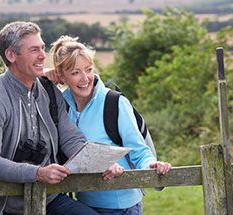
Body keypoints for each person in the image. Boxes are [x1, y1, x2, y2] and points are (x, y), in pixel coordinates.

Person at [0, 21, 123, 215]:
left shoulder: (48, 90)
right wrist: (37, 173)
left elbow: (71, 138)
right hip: (10, 206)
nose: (42, 56)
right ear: (11, 55)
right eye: (33, 50)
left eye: (43, 48)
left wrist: (100, 162)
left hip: (51, 198)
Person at [44, 35, 172, 215]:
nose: (85, 78)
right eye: (75, 72)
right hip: (83, 204)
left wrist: (151, 164)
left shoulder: (115, 103)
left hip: (122, 206)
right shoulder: (60, 105)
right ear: (61, 75)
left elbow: (138, 151)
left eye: (88, 69)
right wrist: (43, 75)